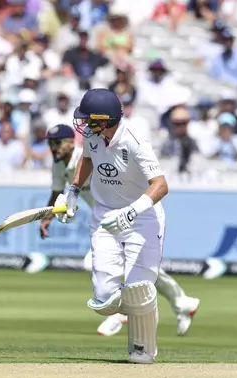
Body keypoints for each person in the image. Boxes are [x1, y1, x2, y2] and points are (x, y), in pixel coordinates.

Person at [40, 123, 201, 338]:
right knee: (138, 269)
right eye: (50, 144)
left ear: (72, 142)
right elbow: (57, 191)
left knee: (114, 265)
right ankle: (182, 302)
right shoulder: (59, 165)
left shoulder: (90, 152)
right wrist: (49, 216)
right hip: (106, 218)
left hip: (130, 213)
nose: (54, 148)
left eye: (58, 143)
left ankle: (120, 313)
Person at [53, 89, 170, 364]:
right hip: (105, 216)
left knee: (138, 287)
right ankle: (133, 306)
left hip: (142, 217)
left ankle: (142, 349)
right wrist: (72, 191)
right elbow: (88, 159)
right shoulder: (94, 136)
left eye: (88, 119)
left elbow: (161, 185)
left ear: (104, 120)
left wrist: (132, 211)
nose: (83, 124)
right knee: (105, 299)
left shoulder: (136, 142)